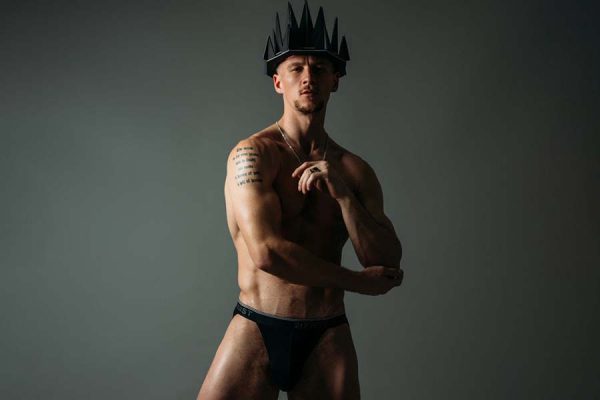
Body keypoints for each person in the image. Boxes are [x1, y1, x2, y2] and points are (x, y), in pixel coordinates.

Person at [197, 2, 403, 399]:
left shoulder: (354, 170)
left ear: (335, 81)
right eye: (296, 69)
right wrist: (357, 283)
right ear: (278, 82)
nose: (308, 77)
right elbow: (266, 252)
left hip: (326, 332)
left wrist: (344, 197)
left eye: (320, 69)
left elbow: (387, 260)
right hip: (257, 325)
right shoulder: (252, 155)